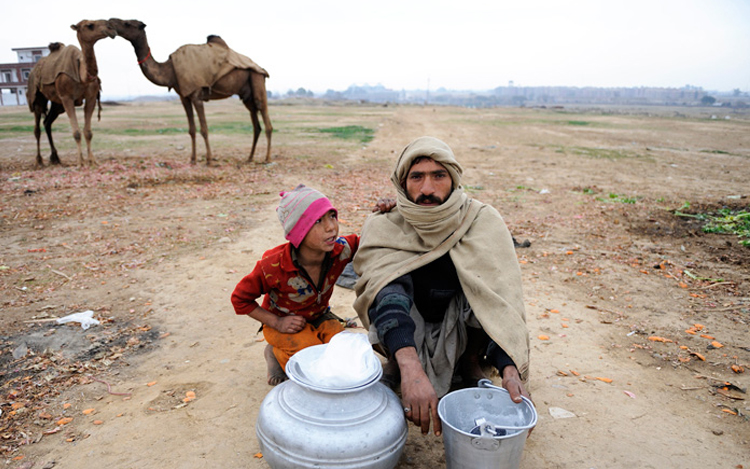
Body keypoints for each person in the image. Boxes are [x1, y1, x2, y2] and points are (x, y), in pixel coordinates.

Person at [352, 136, 530, 437]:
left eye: (439, 176)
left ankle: (470, 362)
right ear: (402, 182)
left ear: (454, 178)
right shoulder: (385, 223)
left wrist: (510, 369)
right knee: (385, 292)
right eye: (417, 177)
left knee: (479, 285)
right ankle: (399, 362)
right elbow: (386, 291)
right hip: (409, 322)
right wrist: (410, 367)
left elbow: (501, 299)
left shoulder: (481, 221)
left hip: (459, 324)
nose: (427, 189)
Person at [231, 184, 393, 385]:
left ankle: (292, 349)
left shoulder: (340, 250)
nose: (331, 227)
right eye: (318, 221)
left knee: (341, 348)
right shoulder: (273, 266)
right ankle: (274, 353)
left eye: (332, 216)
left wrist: (384, 214)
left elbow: (372, 241)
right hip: (283, 323)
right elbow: (239, 299)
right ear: (298, 232)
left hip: (320, 317)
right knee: (311, 357)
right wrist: (276, 322)